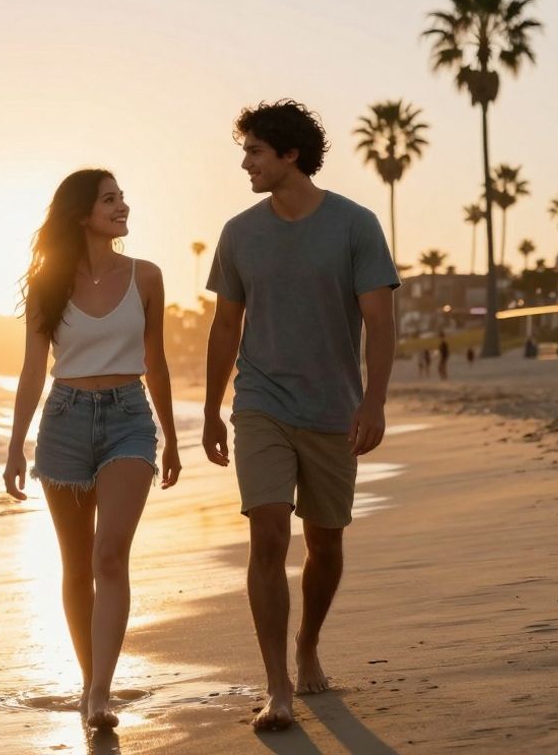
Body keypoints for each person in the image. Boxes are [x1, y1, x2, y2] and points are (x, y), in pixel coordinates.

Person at [202, 100, 399, 731]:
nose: (245, 163)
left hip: (333, 409)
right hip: (260, 402)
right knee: (266, 533)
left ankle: (308, 641)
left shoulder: (355, 225)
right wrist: (211, 409)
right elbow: (225, 326)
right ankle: (277, 685)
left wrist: (374, 402)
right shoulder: (238, 233)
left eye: (255, 151)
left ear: (291, 154)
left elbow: (380, 322)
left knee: (326, 543)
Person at [2, 168, 181, 730]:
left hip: (129, 420)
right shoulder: (47, 284)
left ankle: (101, 693)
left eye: (122, 196)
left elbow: (155, 359)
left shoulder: (146, 276)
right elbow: (34, 371)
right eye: (109, 199)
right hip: (65, 422)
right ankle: (88, 681)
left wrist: (172, 435)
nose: (122, 205)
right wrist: (14, 446)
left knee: (110, 557)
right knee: (77, 566)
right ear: (82, 214)